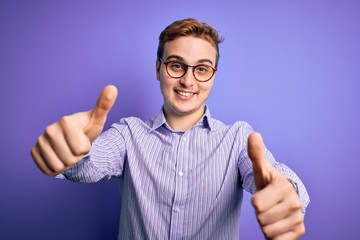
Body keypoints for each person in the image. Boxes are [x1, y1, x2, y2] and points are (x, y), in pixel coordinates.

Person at [31, 18, 310, 239]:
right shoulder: (129, 134)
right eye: (176, 65)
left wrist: (285, 191)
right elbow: (87, 165)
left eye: (201, 68)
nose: (188, 80)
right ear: (158, 69)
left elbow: (270, 176)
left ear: (213, 76)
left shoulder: (237, 138)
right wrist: (70, 153)